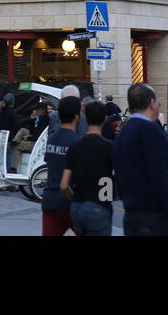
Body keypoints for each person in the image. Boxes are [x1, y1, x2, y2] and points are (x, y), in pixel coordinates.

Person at [112, 84, 168, 236]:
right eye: (158, 103)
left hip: (132, 214)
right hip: (156, 218)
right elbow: (161, 176)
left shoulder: (123, 133)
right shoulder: (151, 131)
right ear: (152, 103)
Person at [62, 100, 115, 235]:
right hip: (100, 205)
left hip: (77, 206)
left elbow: (63, 185)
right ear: (105, 119)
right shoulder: (110, 148)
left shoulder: (75, 147)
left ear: (85, 118)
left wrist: (73, 200)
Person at [41, 96, 82, 235]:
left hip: (49, 201)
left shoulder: (52, 138)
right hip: (69, 202)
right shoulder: (76, 142)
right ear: (77, 117)